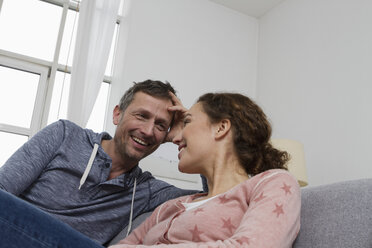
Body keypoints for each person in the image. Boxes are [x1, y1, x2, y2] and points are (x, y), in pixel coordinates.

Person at [0, 92, 301, 248]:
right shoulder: (173, 206)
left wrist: (181, 128)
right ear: (117, 114)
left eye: (170, 126)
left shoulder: (272, 183)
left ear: (222, 127)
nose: (175, 136)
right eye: (141, 116)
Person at [0, 80, 198, 245]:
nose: (147, 130)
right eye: (141, 116)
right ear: (117, 114)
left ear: (166, 136)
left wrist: (191, 133)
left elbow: (217, 198)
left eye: (160, 125)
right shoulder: (64, 135)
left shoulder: (149, 192)